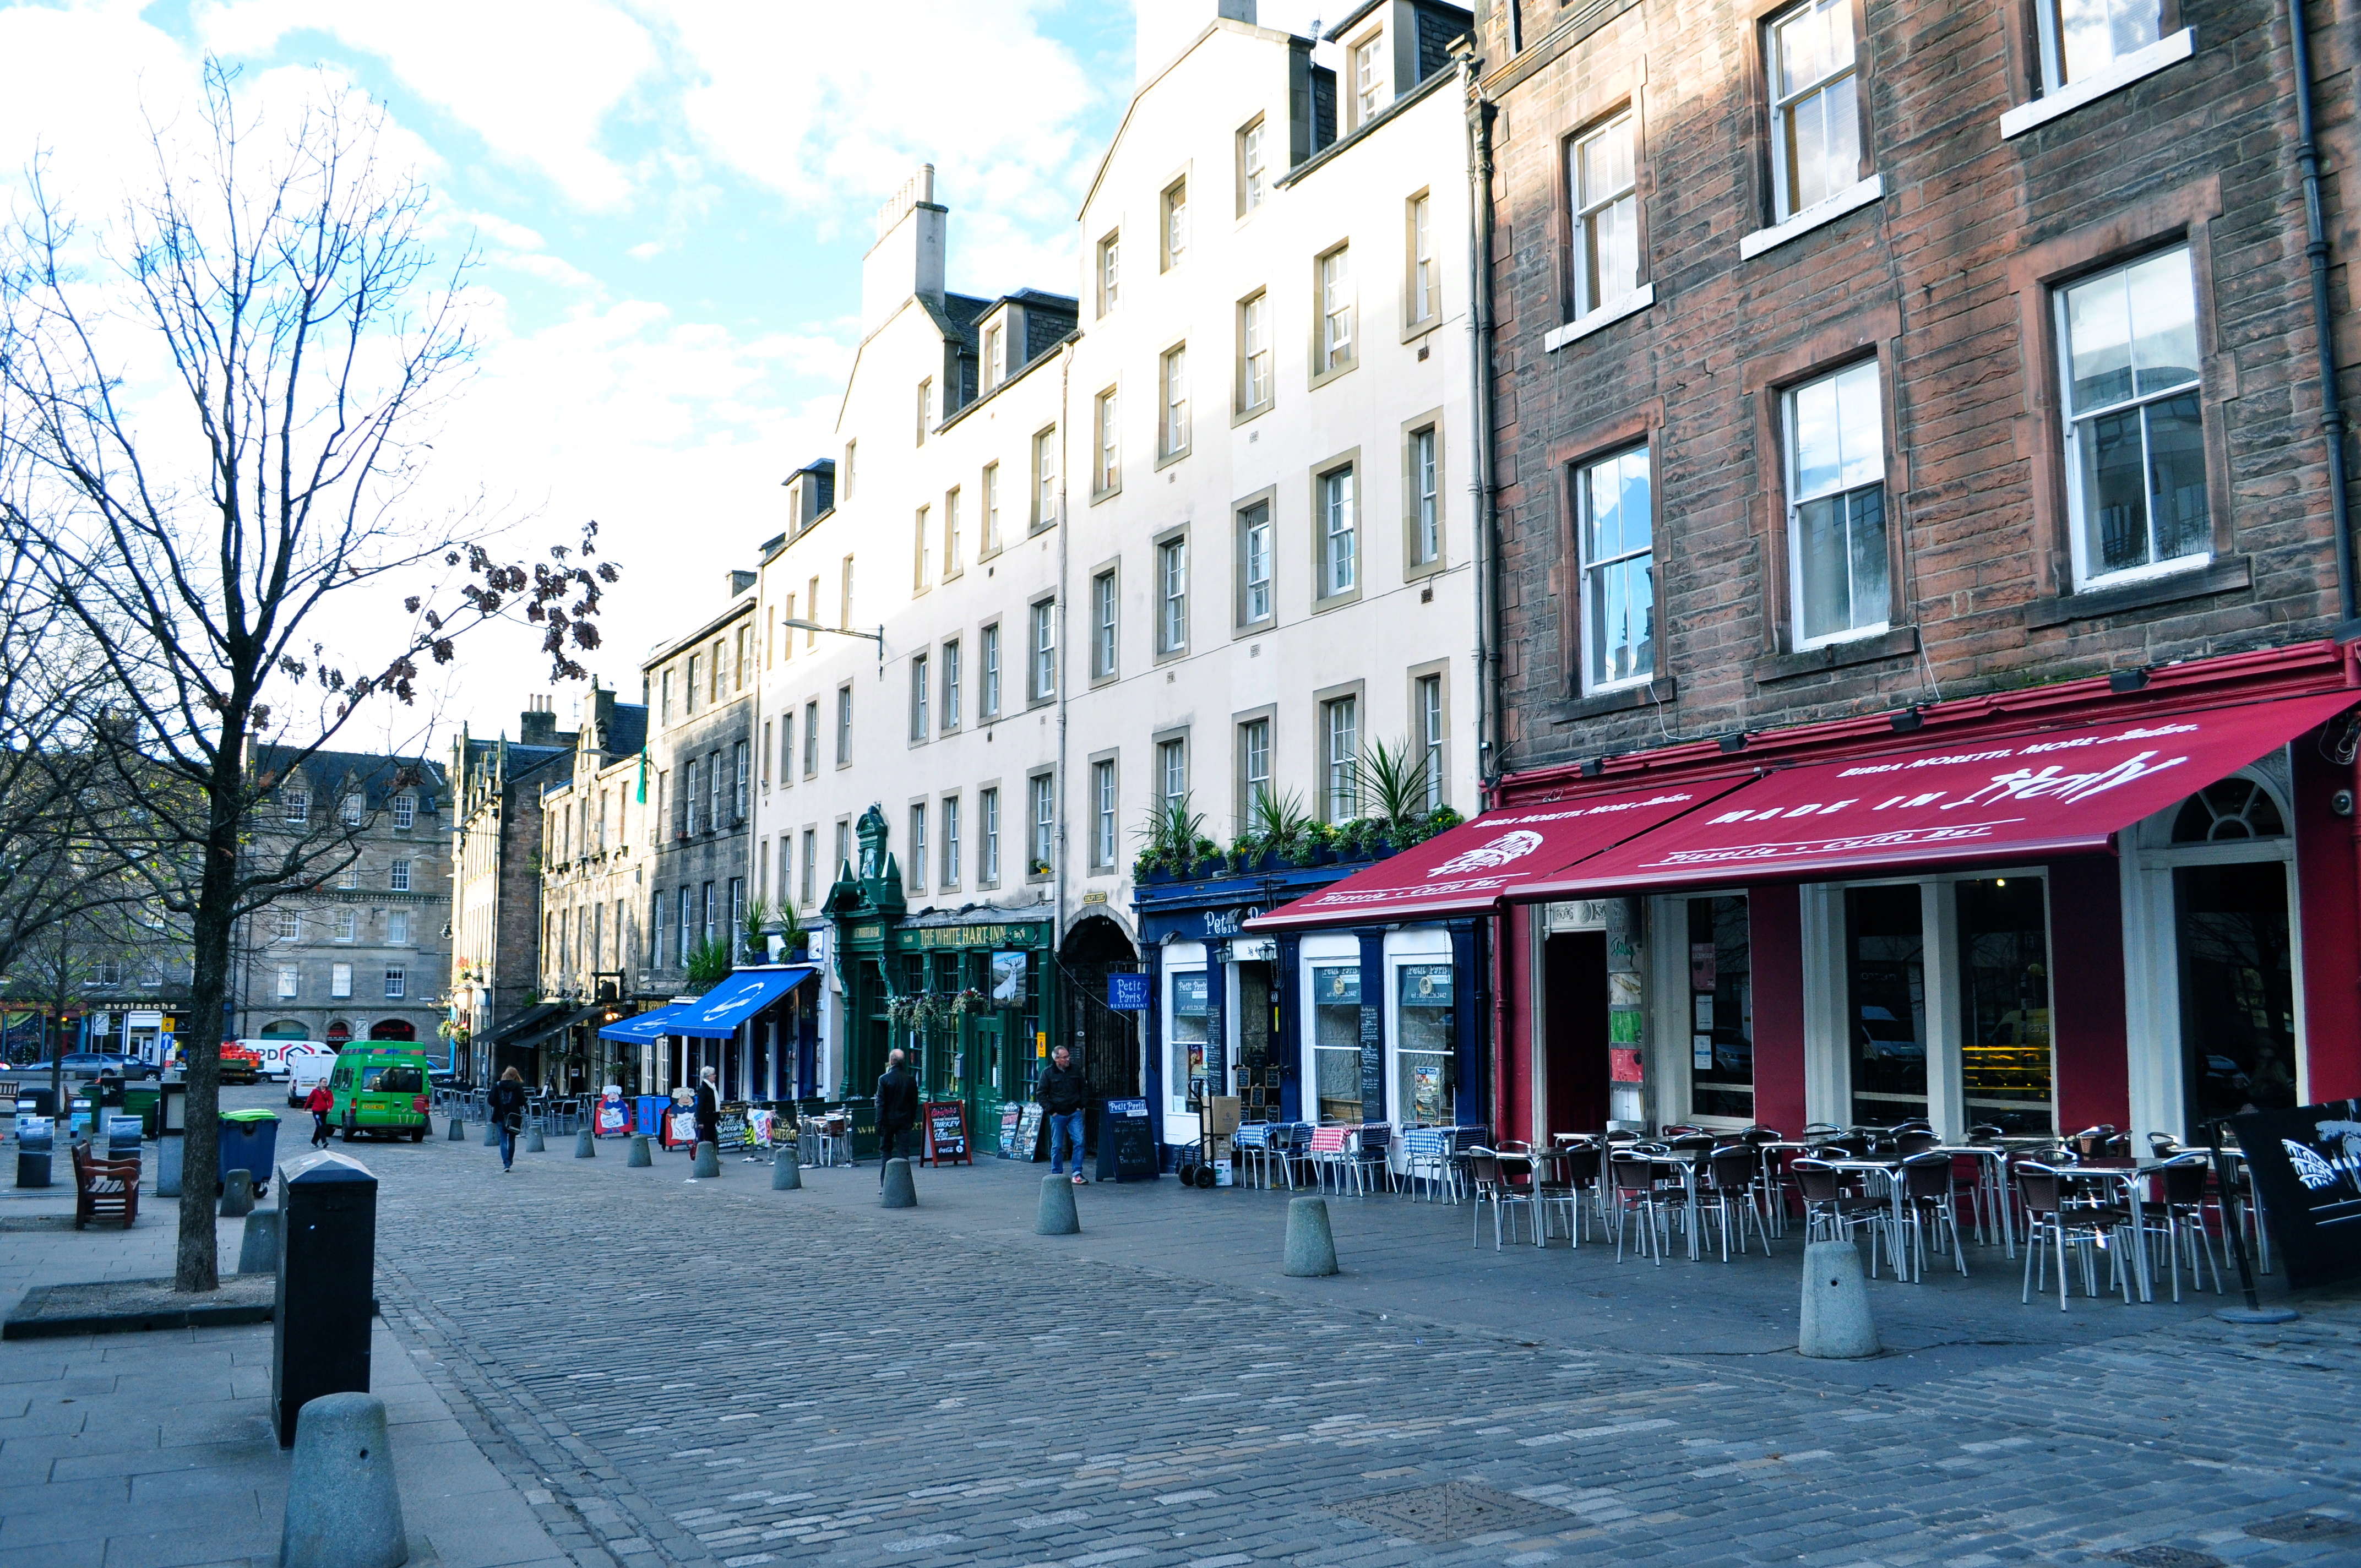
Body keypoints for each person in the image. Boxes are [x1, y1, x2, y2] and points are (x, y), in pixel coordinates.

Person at [1039, 1044, 1089, 1184]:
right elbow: (1041, 1094)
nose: (1068, 1059)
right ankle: (1057, 1174)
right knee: (1057, 1146)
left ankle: (1077, 1173)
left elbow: (1083, 1088)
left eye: (1068, 1056)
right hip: (1058, 1114)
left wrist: (1081, 1106)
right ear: (1057, 1059)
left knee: (1080, 1142)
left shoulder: (1075, 1070)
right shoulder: (1048, 1073)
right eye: (1065, 1057)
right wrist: (1052, 1111)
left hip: (1074, 1112)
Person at [875, 1048, 918, 1182]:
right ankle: (904, 1183)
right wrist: (911, 1120)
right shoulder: (910, 1080)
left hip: (888, 1121)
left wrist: (878, 1122)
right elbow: (914, 1103)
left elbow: (881, 1103)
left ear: (891, 1061)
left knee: (886, 1152)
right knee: (903, 1152)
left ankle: (886, 1184)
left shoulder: (884, 1079)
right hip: (904, 1120)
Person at [488, 1066, 528, 1173]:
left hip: (501, 1114)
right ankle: (510, 1160)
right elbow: (522, 1101)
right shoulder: (518, 1086)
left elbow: (491, 1101)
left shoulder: (497, 1086)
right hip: (514, 1115)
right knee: (512, 1139)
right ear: (514, 1076)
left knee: (503, 1139)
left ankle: (506, 1162)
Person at [693, 1066, 720, 1152]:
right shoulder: (704, 1089)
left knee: (713, 1138)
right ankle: (709, 1158)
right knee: (708, 1139)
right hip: (707, 1118)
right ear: (708, 1077)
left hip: (713, 1117)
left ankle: (714, 1157)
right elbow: (700, 1106)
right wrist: (699, 1121)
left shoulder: (712, 1087)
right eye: (713, 1075)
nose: (715, 1076)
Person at [304, 1079, 334, 1149]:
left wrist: (329, 1108)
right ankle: (324, 1142)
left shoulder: (328, 1092)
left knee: (321, 1126)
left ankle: (314, 1142)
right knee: (321, 1126)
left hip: (324, 1111)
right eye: (323, 1082)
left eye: (326, 1082)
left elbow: (331, 1100)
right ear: (320, 1083)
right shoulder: (315, 1091)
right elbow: (310, 1099)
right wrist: (306, 1107)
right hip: (316, 1111)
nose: (325, 1083)